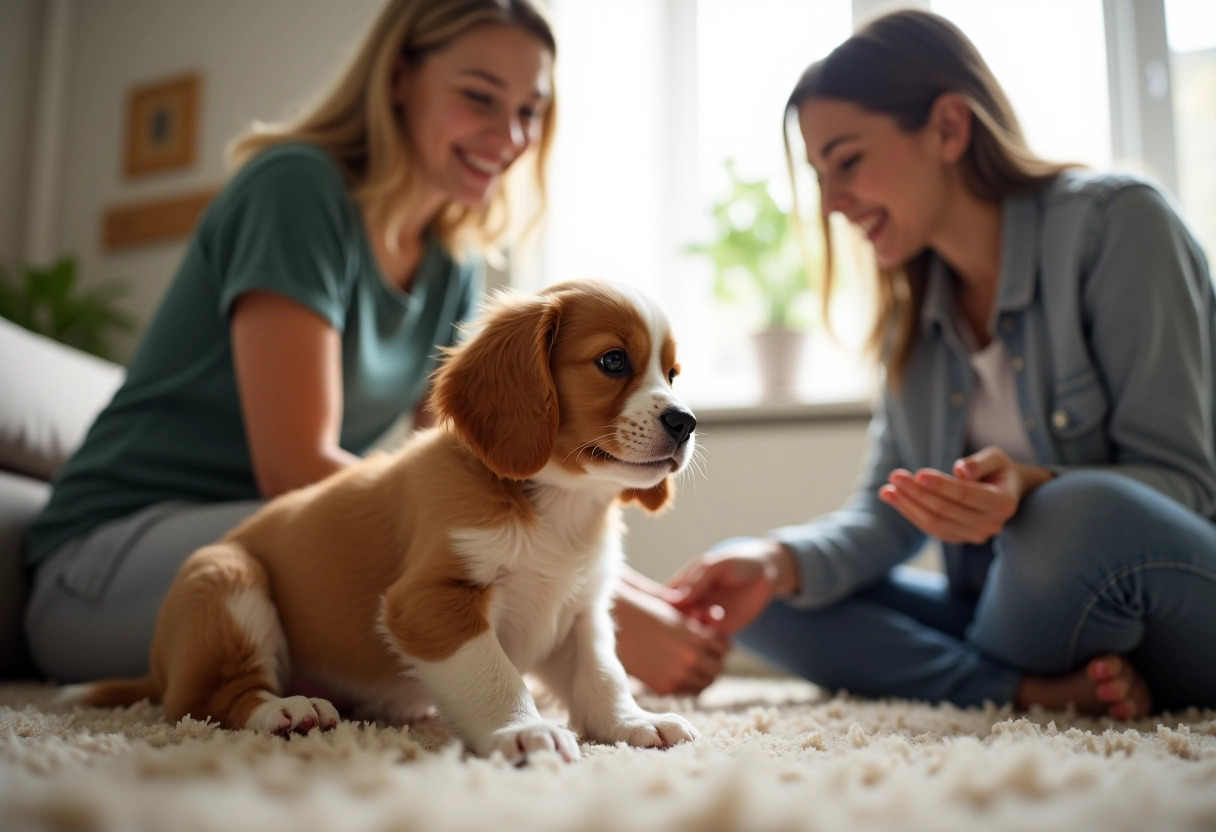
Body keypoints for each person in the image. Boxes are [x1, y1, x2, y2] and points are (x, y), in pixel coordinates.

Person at [22, 0, 726, 695]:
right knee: (396, 564)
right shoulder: (296, 189)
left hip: (259, 538)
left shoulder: (453, 261)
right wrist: (623, 616)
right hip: (106, 563)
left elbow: (476, 474)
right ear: (398, 79)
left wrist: (605, 590)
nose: (508, 133)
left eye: (529, 111)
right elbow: (294, 466)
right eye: (480, 97)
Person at [668, 8, 1216, 719]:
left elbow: (1185, 485)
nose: (831, 203)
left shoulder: (1118, 224)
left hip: (1168, 598)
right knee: (753, 588)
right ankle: (1026, 689)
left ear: (950, 128)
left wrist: (1030, 484)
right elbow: (885, 518)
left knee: (1069, 517)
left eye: (848, 160)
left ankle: (987, 673)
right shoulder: (915, 313)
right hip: (1014, 612)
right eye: (820, 174)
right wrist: (780, 562)